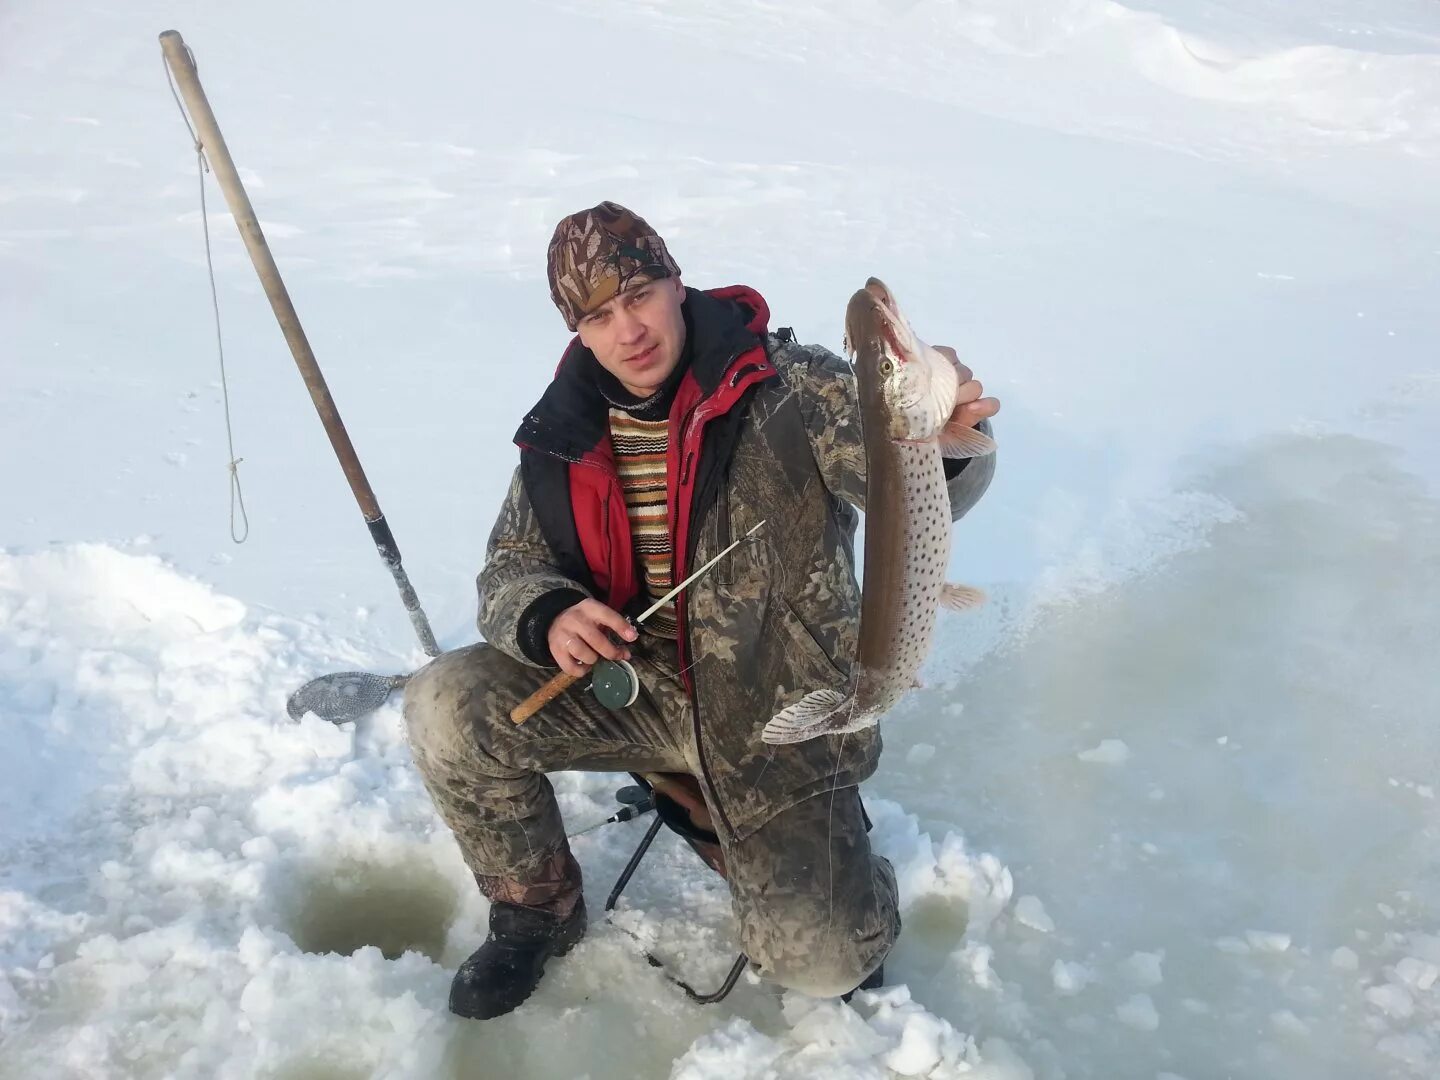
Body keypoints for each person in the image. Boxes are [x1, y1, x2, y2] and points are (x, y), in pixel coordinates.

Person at [402, 201, 999, 1020]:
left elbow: (905, 480)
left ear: (677, 282)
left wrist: (950, 436)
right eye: (600, 315)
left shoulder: (795, 388)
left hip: (780, 713)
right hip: (636, 689)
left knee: (822, 963)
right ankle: (537, 905)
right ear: (578, 331)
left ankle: (838, 862)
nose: (629, 329)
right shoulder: (562, 430)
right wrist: (549, 615)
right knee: (443, 704)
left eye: (640, 294)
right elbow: (509, 569)